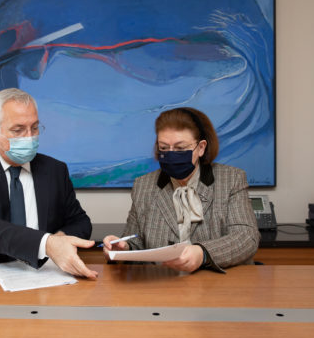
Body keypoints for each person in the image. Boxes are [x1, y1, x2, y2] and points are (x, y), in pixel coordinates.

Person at [0, 88, 98, 279]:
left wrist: (58, 241)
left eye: (35, 128)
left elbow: (80, 221)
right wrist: (47, 244)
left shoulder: (55, 169)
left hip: (43, 274)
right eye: (18, 130)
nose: (29, 137)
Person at [102, 107, 259, 273]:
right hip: (163, 283)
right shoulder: (144, 186)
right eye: (164, 148)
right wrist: (123, 249)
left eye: (180, 148)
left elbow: (246, 237)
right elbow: (136, 241)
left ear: (201, 148)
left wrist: (203, 253)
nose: (171, 155)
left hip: (216, 283)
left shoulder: (231, 179)